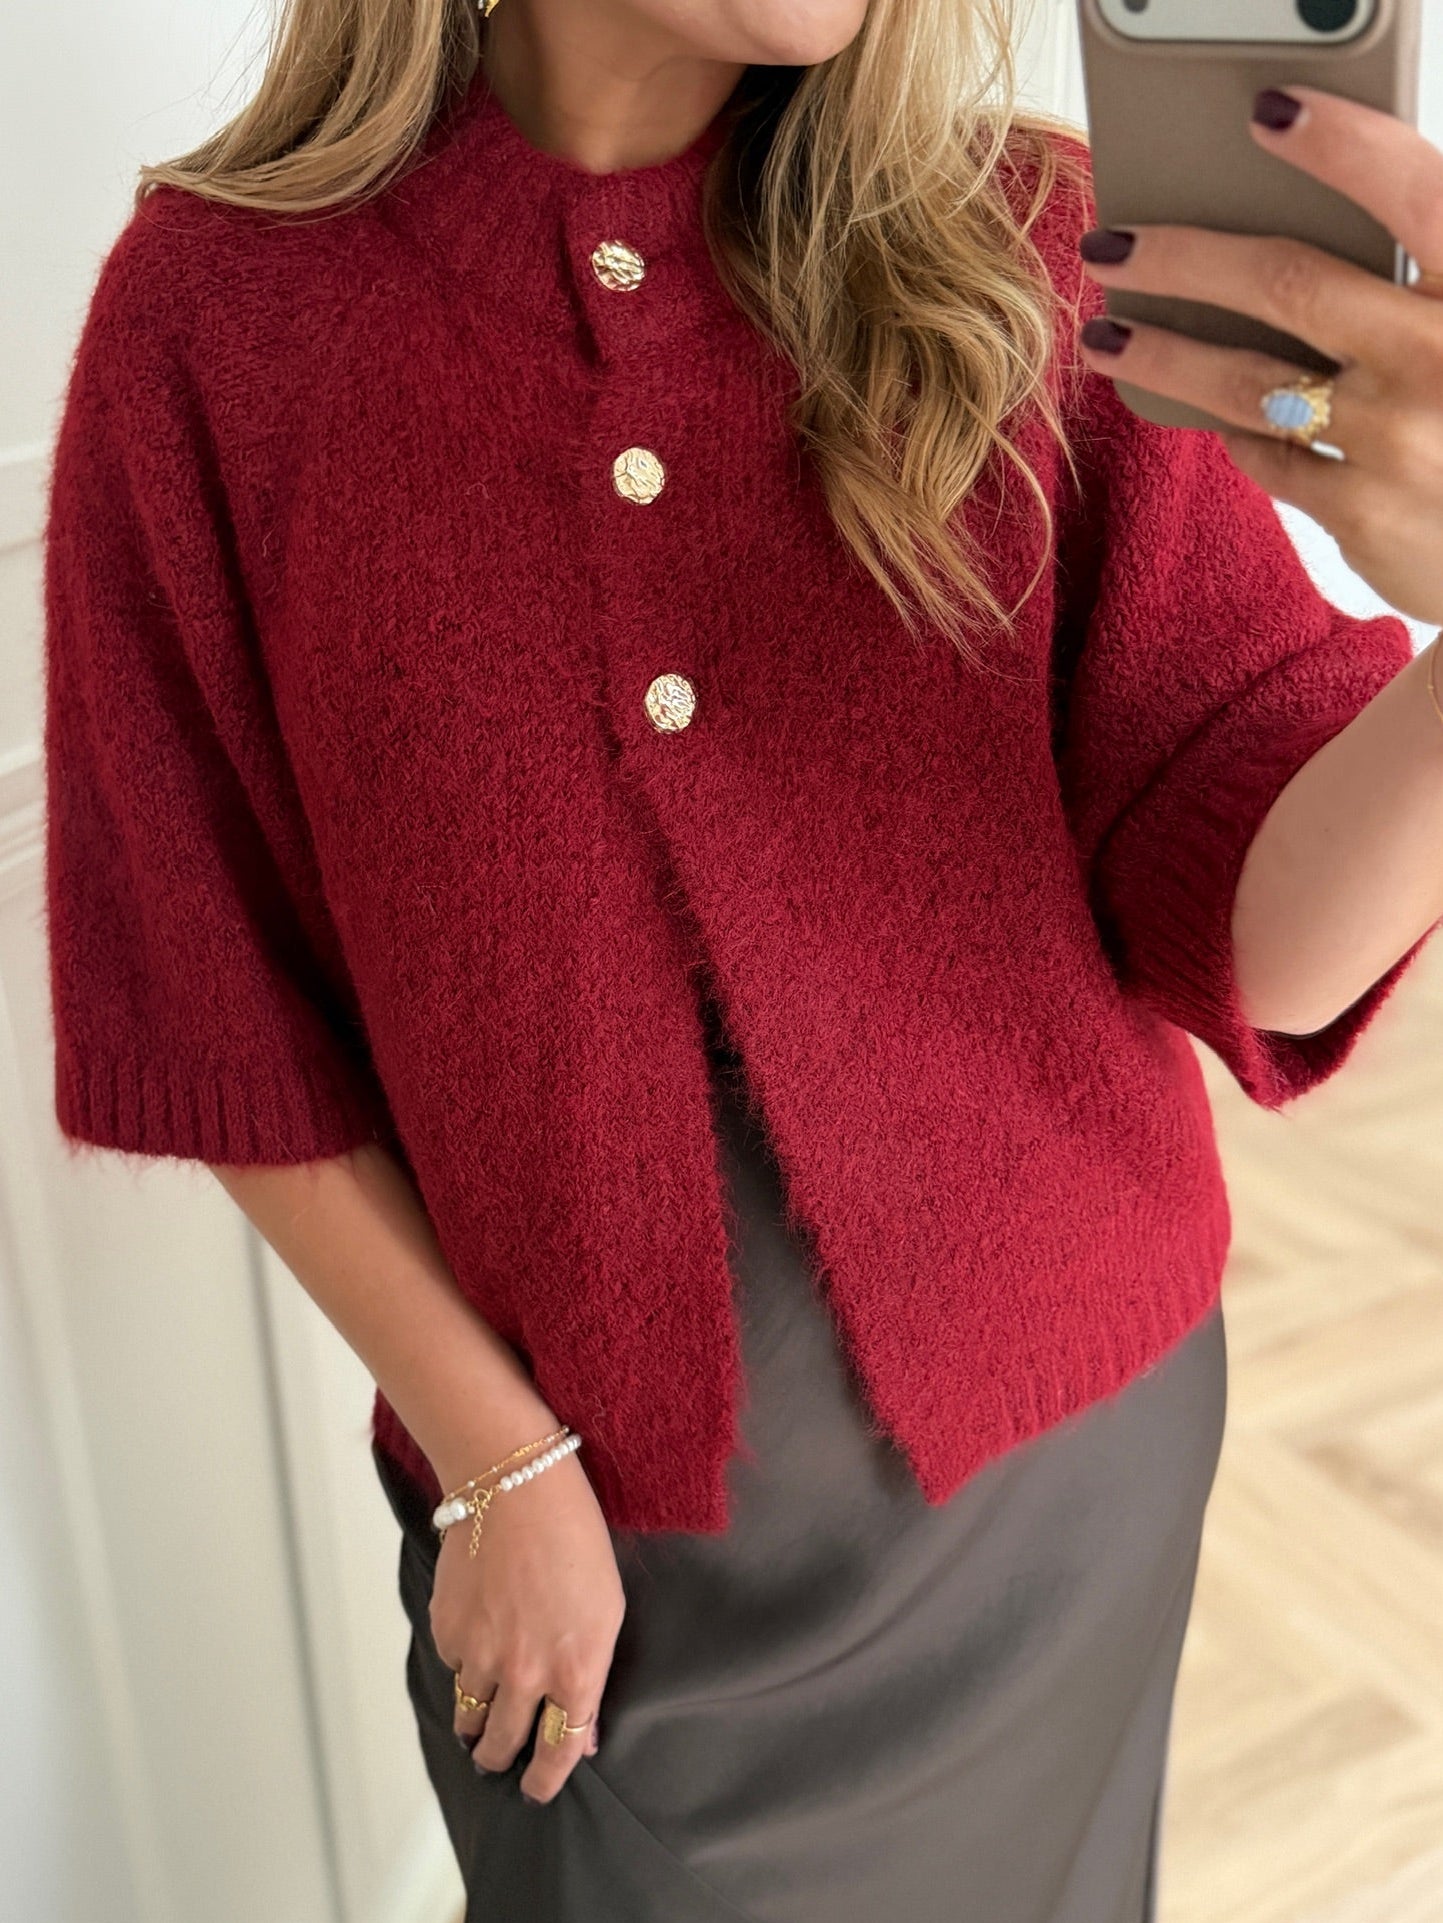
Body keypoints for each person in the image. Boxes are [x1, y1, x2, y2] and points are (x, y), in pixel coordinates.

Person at [41, 2, 1443, 1918]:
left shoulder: (1028, 248)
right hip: (597, 1532)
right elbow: (205, 994)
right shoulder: (218, 321)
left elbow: (1271, 938)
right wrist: (495, 1466)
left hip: (1068, 1461)